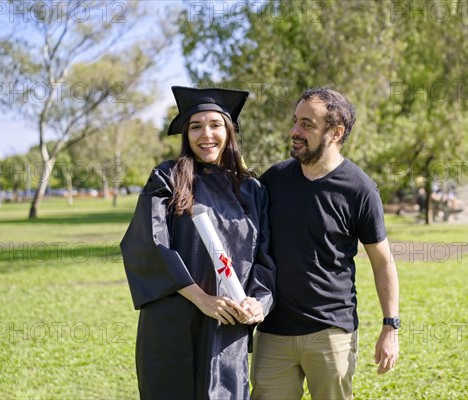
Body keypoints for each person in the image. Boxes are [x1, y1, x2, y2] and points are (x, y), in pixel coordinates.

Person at [120, 86, 276, 400]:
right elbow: (149, 243)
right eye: (196, 126)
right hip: (172, 323)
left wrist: (258, 302)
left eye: (215, 125)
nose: (206, 134)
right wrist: (202, 298)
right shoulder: (168, 178)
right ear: (186, 134)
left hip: (226, 326)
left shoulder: (252, 190)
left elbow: (265, 258)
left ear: (229, 131)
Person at [251, 87, 400, 400]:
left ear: (336, 132)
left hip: (331, 332)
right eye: (295, 121)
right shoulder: (273, 180)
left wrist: (391, 326)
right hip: (273, 329)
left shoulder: (359, 189)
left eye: (307, 124)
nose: (294, 131)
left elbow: (383, 261)